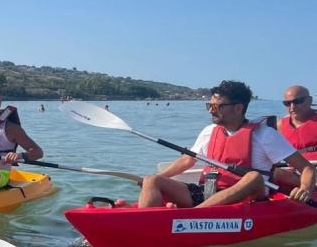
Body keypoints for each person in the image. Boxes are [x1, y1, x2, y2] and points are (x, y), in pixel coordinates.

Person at [135, 80, 314, 208]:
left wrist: (305, 189)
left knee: (253, 177)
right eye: (210, 106)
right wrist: (151, 179)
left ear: (238, 108)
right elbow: (186, 162)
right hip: (207, 192)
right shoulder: (208, 131)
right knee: (153, 180)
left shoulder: (264, 135)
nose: (211, 111)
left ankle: (196, 218)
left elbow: (307, 168)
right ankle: (141, 222)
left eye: (217, 106)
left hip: (248, 196)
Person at [273, 85, 317, 189]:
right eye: (287, 103)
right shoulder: (280, 125)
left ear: (309, 100)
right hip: (292, 171)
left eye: (298, 101)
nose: (292, 107)